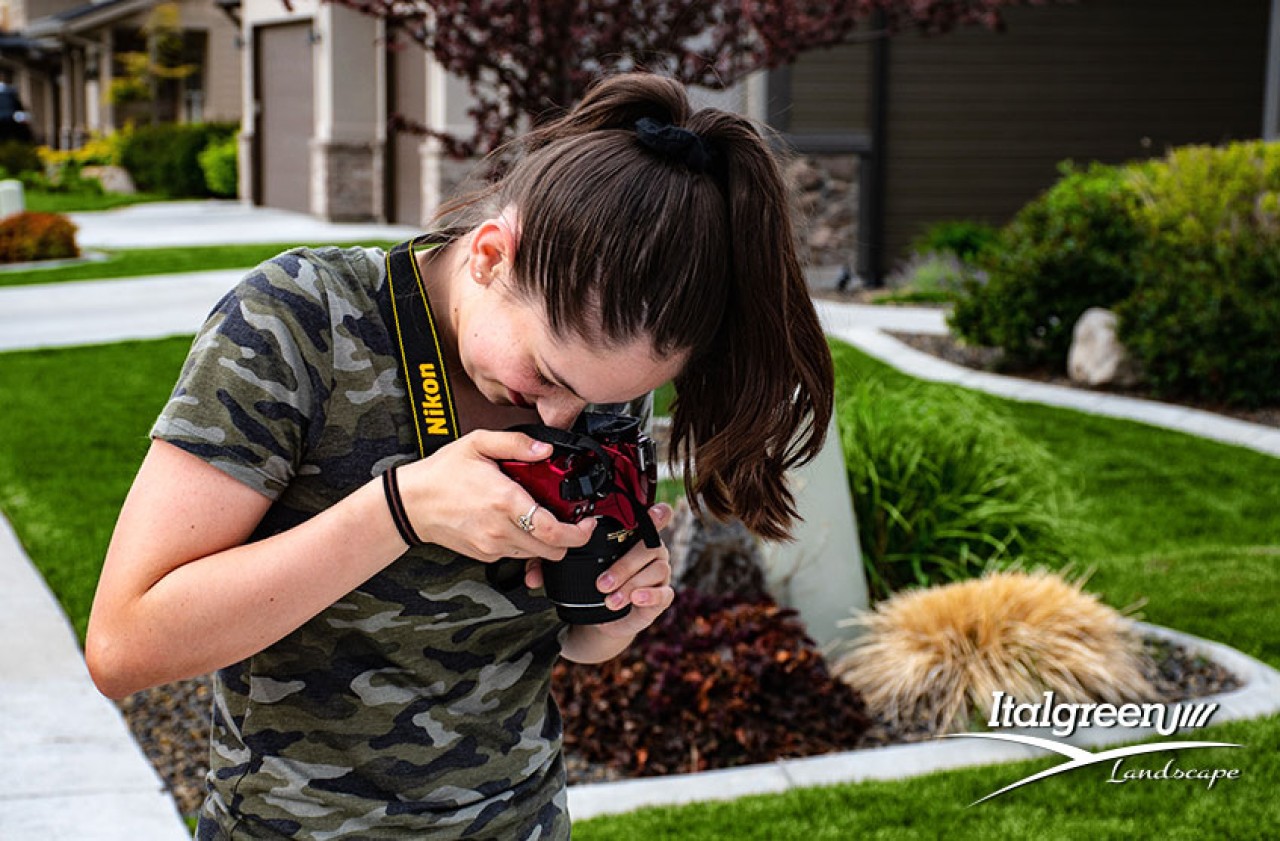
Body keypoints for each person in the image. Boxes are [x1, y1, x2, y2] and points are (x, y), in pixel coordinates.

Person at [86, 72, 834, 839]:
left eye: (598, 397)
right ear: (489, 255)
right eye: (547, 375)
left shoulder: (595, 381)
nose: (561, 416)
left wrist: (606, 623)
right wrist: (401, 511)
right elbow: (126, 642)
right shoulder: (301, 323)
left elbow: (556, 641)